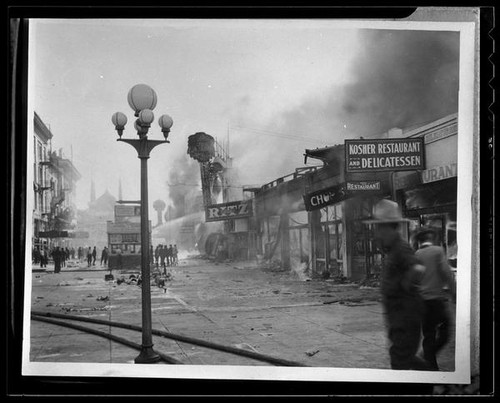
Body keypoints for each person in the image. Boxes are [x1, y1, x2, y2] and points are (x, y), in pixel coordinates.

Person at [363, 199, 430, 370]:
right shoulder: (393, 250)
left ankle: (434, 382)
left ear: (389, 228)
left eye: (379, 228)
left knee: (400, 360)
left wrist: (406, 286)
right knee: (402, 358)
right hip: (397, 318)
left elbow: (418, 268)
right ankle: (433, 380)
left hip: (405, 318)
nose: (377, 233)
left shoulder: (401, 248)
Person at [414, 226, 456, 371]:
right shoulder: (438, 251)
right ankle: (429, 358)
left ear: (420, 241)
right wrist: (453, 293)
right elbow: (447, 273)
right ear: (431, 238)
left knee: (428, 334)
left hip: (422, 302)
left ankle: (431, 366)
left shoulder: (417, 254)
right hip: (436, 300)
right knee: (446, 329)